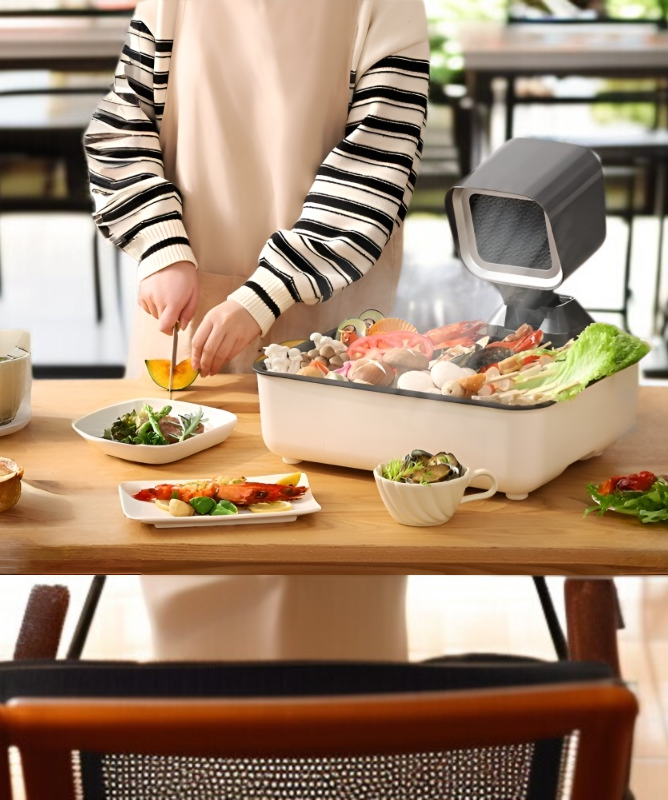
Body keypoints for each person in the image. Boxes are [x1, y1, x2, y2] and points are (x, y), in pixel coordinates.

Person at [85, 0, 428, 662]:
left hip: (332, 334)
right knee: (193, 564)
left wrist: (263, 295)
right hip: (184, 325)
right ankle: (197, 731)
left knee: (337, 569)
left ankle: (358, 732)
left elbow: (378, 164)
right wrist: (162, 249)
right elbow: (122, 130)